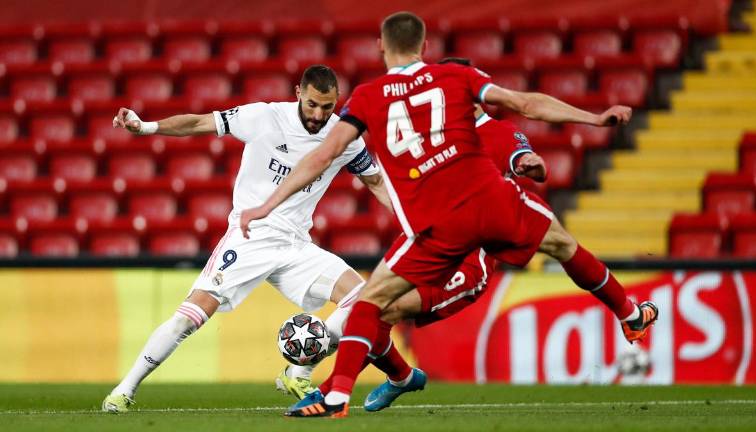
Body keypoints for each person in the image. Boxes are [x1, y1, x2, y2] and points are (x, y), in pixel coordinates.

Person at [239, 12, 659, 418]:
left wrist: (266, 205)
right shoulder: (455, 80)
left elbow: (324, 154)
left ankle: (336, 394)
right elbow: (526, 104)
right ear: (425, 47)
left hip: (444, 231)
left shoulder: (370, 96)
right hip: (488, 202)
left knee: (372, 303)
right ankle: (630, 314)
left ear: (381, 46)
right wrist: (593, 119)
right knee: (562, 244)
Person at [101, 64, 416, 413]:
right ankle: (124, 389)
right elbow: (199, 122)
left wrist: (410, 220)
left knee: (364, 303)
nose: (318, 114)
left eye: (327, 107)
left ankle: (298, 370)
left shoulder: (344, 138)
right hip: (250, 236)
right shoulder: (264, 117)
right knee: (188, 317)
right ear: (298, 92)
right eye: (312, 104)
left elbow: (375, 182)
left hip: (297, 245)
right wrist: (146, 127)